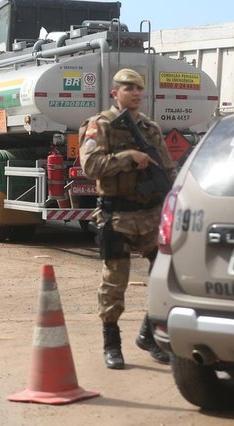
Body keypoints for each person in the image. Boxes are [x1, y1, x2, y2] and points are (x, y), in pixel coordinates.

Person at [78, 68, 177, 369]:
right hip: (116, 216)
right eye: (128, 88)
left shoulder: (150, 129)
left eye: (139, 89)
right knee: (114, 284)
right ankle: (112, 345)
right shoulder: (101, 125)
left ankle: (150, 336)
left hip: (150, 216)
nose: (135, 93)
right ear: (115, 92)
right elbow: (90, 166)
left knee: (168, 277)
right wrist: (128, 158)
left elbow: (168, 168)